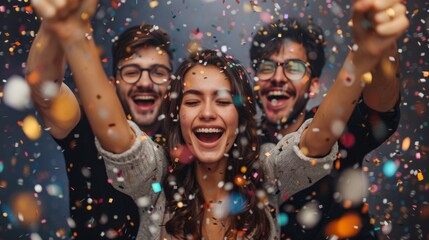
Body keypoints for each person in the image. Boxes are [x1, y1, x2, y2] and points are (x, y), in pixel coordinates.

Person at [29, 0, 407, 239]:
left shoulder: (268, 172)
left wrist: (362, 56)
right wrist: (73, 36)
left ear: (242, 117)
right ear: (175, 115)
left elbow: (316, 142)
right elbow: (117, 138)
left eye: (222, 101)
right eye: (193, 100)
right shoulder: (156, 175)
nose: (208, 112)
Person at [249, 1, 409, 239]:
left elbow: (381, 105)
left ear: (313, 85)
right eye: (267, 67)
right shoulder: (242, 143)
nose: (277, 77)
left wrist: (379, 43)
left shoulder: (337, 122)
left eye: (293, 68)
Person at [26, 9, 173, 239]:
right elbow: (44, 88)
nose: (145, 82)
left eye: (158, 72)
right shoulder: (85, 126)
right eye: (132, 72)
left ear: (172, 85)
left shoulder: (185, 144)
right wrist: (55, 20)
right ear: (113, 83)